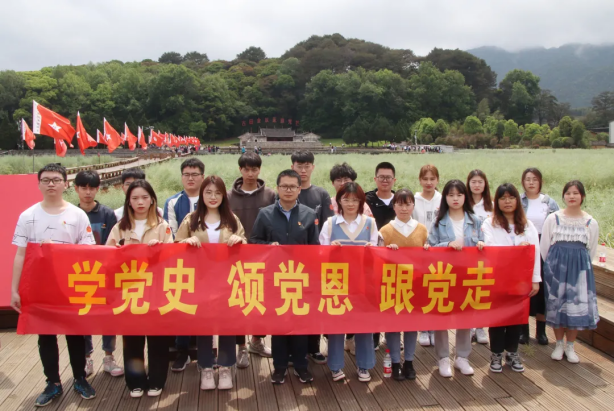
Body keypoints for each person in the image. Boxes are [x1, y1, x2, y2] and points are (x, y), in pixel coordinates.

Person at [10, 164, 97, 406]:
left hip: (70, 284)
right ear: (38, 184)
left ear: (65, 184)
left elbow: (88, 250)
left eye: (56, 180)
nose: (51, 184)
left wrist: (58, 251)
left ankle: (80, 378)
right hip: (40, 286)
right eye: (46, 180)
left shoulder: (77, 215)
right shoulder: (28, 216)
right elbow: (20, 254)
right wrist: (14, 289)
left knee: (75, 334)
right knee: (45, 335)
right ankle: (53, 382)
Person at [175, 175, 246, 389]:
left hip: (227, 281)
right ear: (201, 194)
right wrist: (186, 242)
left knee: (227, 324)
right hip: (200, 281)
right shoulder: (191, 219)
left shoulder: (232, 219)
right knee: (203, 325)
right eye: (208, 192)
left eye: (217, 193)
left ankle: (225, 367)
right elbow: (175, 246)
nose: (213, 197)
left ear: (224, 195)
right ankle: (206, 367)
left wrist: (240, 240)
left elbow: (246, 245)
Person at [250, 169, 320, 385]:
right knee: (278, 325)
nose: (288, 190)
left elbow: (315, 247)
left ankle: (301, 366)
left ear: (299, 189)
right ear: (277, 188)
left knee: (300, 325)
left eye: (292, 187)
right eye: (284, 186)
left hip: (300, 279)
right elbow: (254, 242)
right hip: (274, 279)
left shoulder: (309, 214)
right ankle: (279, 367)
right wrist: (268, 246)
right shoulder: (265, 214)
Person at [106, 180, 173, 398]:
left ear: (152, 200)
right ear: (128, 201)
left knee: (157, 338)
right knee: (132, 338)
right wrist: (117, 252)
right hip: (129, 290)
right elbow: (106, 258)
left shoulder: (162, 227)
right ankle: (135, 381)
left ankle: (157, 380)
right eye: (135, 198)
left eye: (145, 197)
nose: (140, 202)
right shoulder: (119, 227)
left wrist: (160, 250)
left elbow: (173, 259)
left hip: (156, 290)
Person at [319, 182, 378, 383]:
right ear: (339, 201)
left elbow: (378, 254)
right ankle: (335, 366)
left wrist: (372, 250)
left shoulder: (370, 223)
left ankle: (364, 365)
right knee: (336, 324)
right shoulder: (330, 224)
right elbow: (319, 254)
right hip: (336, 281)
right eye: (346, 199)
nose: (351, 203)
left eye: (355, 199)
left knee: (364, 324)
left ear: (361, 201)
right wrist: (330, 249)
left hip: (363, 281)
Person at [426, 180, 484, 378]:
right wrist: (447, 245)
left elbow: (484, 242)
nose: (455, 199)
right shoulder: (439, 221)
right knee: (441, 316)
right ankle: (443, 357)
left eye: (459, 195)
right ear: (445, 198)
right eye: (451, 195)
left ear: (465, 197)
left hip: (468, 275)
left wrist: (482, 244)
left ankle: (462, 357)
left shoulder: (475, 221)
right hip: (444, 274)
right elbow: (430, 248)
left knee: (465, 315)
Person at [482, 183, 541, 373]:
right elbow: (490, 248)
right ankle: (496, 354)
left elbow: (535, 253)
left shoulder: (527, 225)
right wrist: (516, 249)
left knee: (516, 318)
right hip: (498, 279)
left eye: (511, 197)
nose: (507, 201)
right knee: (497, 318)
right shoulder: (489, 223)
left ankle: (512, 352)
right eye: (503, 198)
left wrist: (535, 279)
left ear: (517, 200)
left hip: (520, 280)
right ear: (497, 201)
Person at [541, 181, 599, 364]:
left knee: (576, 306)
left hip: (580, 270)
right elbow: (544, 247)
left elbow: (592, 250)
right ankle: (558, 344)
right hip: (556, 268)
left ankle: (570, 346)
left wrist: (580, 266)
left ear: (582, 196)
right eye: (568, 193)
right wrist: (551, 266)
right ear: (563, 196)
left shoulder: (590, 222)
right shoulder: (553, 218)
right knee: (557, 304)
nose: (571, 196)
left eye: (575, 193)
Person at [74, 170, 123, 378]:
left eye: (92, 188)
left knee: (108, 317)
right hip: (81, 274)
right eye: (83, 188)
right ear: (75, 189)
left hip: (106, 273)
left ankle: (109, 357)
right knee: (84, 317)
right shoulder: (72, 214)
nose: (88, 192)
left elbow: (114, 241)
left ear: (97, 189)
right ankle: (86, 358)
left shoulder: (107, 214)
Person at [227, 152, 275, 367]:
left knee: (261, 301)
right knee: (238, 303)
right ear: (240, 170)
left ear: (259, 170)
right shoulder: (228, 197)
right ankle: (241, 347)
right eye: (246, 169)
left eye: (254, 169)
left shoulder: (270, 195)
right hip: (235, 257)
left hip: (263, 256)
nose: (250, 173)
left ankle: (257, 340)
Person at [378, 189, 427, 381]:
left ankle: (409, 361)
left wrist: (428, 250)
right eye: (399, 204)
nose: (404, 208)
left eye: (408, 204)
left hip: (415, 284)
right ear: (394, 206)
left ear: (413, 205)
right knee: (393, 325)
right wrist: (387, 251)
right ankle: (395, 362)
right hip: (393, 284)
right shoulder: (386, 230)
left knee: (411, 325)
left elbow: (428, 258)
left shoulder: (421, 229)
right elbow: (378, 258)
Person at [162, 158, 206, 372]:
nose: (190, 178)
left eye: (195, 174)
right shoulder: (172, 202)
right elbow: (170, 232)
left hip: (206, 264)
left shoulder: (210, 199)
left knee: (205, 307)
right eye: (186, 174)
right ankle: (182, 351)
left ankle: (205, 353)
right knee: (181, 306)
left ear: (202, 177)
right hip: (181, 262)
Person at [290, 150, 333, 364]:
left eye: (307, 165)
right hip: (291, 262)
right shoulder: (286, 192)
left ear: (313, 168)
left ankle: (314, 347)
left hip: (316, 260)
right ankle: (293, 349)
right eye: (299, 165)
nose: (303, 170)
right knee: (292, 303)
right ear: (292, 167)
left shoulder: (321, 194)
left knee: (314, 303)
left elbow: (328, 226)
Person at [520, 168, 560, 345]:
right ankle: (523, 330)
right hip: (524, 247)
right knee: (524, 288)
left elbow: (558, 225)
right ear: (523, 182)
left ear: (540, 182)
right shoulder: (518, 201)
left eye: (534, 179)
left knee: (542, 289)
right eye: (528, 179)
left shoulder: (549, 202)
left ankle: (541, 331)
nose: (531, 182)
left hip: (545, 247)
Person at [365, 161, 397, 349]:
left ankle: (392, 337)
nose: (385, 180)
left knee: (393, 297)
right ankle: (374, 336)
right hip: (373, 256)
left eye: (388, 177)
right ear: (375, 179)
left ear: (394, 180)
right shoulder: (367, 199)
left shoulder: (400, 199)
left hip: (396, 256)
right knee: (375, 297)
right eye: (381, 177)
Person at [413, 164, 442, 347]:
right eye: (425, 179)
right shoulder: (414, 200)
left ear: (437, 180)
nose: (429, 182)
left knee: (436, 288)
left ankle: (434, 327)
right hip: (419, 251)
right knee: (422, 290)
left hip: (439, 250)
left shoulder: (443, 199)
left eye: (432, 179)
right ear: (420, 180)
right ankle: (423, 329)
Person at [466, 169, 494, 345]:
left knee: (483, 291)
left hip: (486, 254)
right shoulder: (463, 203)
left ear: (485, 184)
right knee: (469, 290)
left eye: (480, 182)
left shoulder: (491, 205)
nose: (477, 185)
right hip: (468, 254)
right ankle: (468, 326)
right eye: (473, 182)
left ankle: (480, 327)